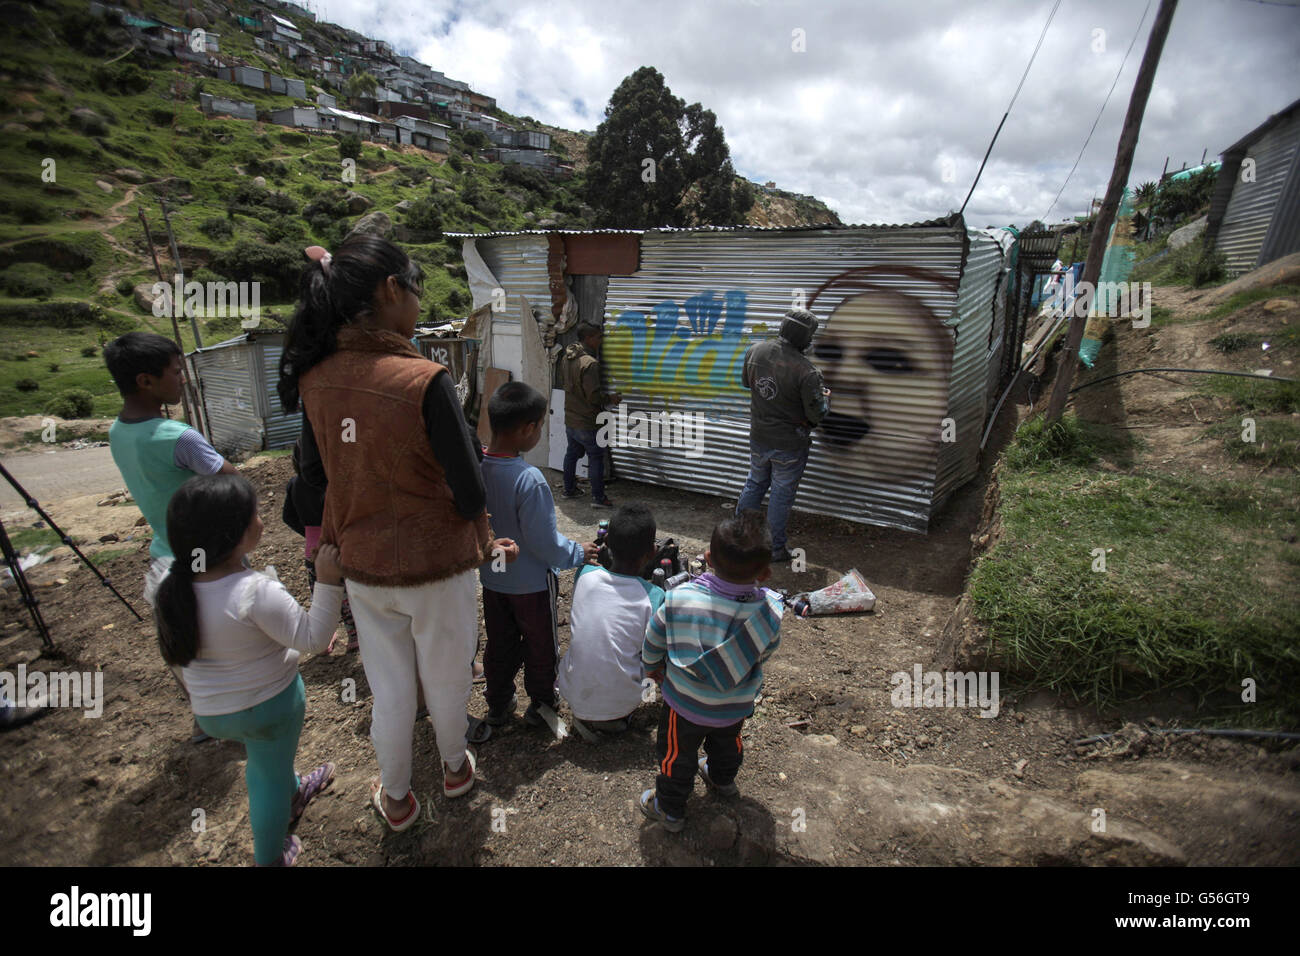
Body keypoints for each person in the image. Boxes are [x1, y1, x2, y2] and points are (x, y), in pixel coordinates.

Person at [278, 236, 514, 833]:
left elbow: (311, 478)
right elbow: (471, 492)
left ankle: (400, 799)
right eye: (416, 289)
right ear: (391, 291)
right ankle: (456, 768)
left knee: (388, 688)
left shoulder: (317, 379)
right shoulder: (423, 380)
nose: (418, 302)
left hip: (362, 566)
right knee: (447, 675)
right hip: (438, 566)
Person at [154, 473, 343, 866]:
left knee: (269, 760)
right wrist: (327, 581)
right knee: (265, 778)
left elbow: (176, 656)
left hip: (212, 713)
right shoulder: (255, 591)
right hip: (267, 708)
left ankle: (293, 788)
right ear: (233, 535)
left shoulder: (172, 587)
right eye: (254, 513)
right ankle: (269, 855)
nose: (262, 517)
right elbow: (312, 638)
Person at [104, 331, 239, 743]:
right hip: (207, 560)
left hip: (164, 557)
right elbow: (231, 483)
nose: (183, 379)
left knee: (183, 643)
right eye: (176, 371)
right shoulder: (176, 436)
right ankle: (239, 718)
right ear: (146, 380)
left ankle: (204, 719)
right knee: (227, 643)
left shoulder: (117, 432)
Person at [638, 510, 783, 832]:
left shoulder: (678, 599)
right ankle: (723, 780)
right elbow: (766, 652)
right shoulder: (768, 612)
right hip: (734, 705)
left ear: (707, 558)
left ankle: (671, 810)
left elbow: (653, 640)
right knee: (727, 744)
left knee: (677, 756)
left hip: (684, 705)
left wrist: (651, 669)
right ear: (766, 573)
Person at [479, 381, 599, 727]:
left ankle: (498, 702)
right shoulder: (529, 479)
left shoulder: (478, 468)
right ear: (528, 429)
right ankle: (542, 701)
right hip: (530, 584)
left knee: (499, 642)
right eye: (540, 427)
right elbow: (543, 542)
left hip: (493, 577)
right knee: (540, 642)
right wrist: (578, 552)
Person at [557, 503, 663, 739]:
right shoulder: (654, 597)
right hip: (623, 703)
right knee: (656, 653)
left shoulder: (584, 575)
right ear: (653, 552)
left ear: (607, 545)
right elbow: (654, 652)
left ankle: (600, 713)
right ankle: (633, 707)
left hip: (572, 691)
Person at [735, 309, 830, 562]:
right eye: (810, 337)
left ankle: (739, 538)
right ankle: (775, 549)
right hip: (789, 444)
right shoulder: (807, 371)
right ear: (802, 337)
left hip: (759, 436)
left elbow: (747, 383)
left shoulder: (755, 351)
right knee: (781, 493)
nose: (811, 342)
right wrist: (825, 399)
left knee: (755, 483)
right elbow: (818, 414)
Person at [283, 439, 360, 653]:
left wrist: (308, 533)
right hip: (337, 549)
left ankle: (323, 636)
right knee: (346, 595)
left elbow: (288, 516)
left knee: (320, 594)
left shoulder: (294, 484)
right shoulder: (332, 485)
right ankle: (354, 635)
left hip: (312, 550)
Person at [559, 321, 620, 508]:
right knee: (596, 457)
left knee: (572, 454)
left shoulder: (566, 358)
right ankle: (599, 498)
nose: (600, 341)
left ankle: (569, 490)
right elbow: (593, 397)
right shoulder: (590, 364)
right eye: (598, 337)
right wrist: (611, 398)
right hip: (587, 421)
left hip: (571, 419)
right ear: (588, 338)